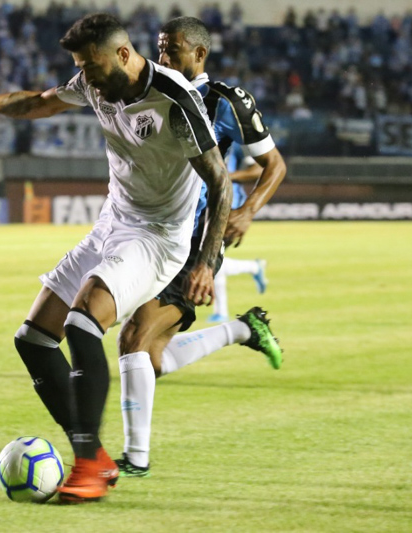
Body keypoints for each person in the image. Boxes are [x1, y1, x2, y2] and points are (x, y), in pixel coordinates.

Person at [0, 13, 232, 503]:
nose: (87, 78)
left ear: (123, 54)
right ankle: (96, 455)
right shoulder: (95, 80)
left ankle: (86, 467)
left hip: (160, 237)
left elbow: (220, 183)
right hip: (112, 224)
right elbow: (39, 102)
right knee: (34, 339)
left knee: (83, 323)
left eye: (92, 66)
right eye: (81, 67)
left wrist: (206, 261)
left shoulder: (174, 100)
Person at [114, 16, 287, 477]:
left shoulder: (226, 102)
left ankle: (135, 460)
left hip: (194, 243)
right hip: (153, 234)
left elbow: (274, 165)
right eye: (159, 48)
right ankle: (243, 329)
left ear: (199, 55)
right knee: (151, 357)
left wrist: (247, 211)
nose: (163, 57)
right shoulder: (152, 93)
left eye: (172, 50)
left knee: (133, 339)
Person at [209, 145, 269, 323]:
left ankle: (221, 311)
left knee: (212, 257)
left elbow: (258, 169)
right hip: (208, 203)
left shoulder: (235, 139)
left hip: (231, 203)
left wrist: (227, 177)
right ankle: (253, 267)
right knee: (210, 257)